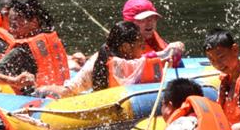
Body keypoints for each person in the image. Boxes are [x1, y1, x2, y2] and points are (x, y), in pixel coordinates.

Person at [38, 21, 179, 97]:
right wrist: (166, 54)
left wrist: (170, 52)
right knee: (67, 91)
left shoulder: (126, 58)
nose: (143, 49)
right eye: (140, 45)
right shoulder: (106, 62)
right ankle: (39, 90)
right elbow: (69, 90)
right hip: (82, 89)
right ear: (125, 47)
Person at [0, 0, 71, 94]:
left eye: (14, 25)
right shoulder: (53, 40)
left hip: (34, 100)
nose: (10, 30)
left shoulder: (20, 50)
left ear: (33, 22)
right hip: (62, 92)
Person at [121, 0, 184, 65]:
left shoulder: (152, 38)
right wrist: (163, 54)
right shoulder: (123, 44)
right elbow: (131, 65)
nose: (150, 23)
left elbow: (171, 63)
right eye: (143, 19)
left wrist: (176, 52)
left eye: (152, 18)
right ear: (130, 23)